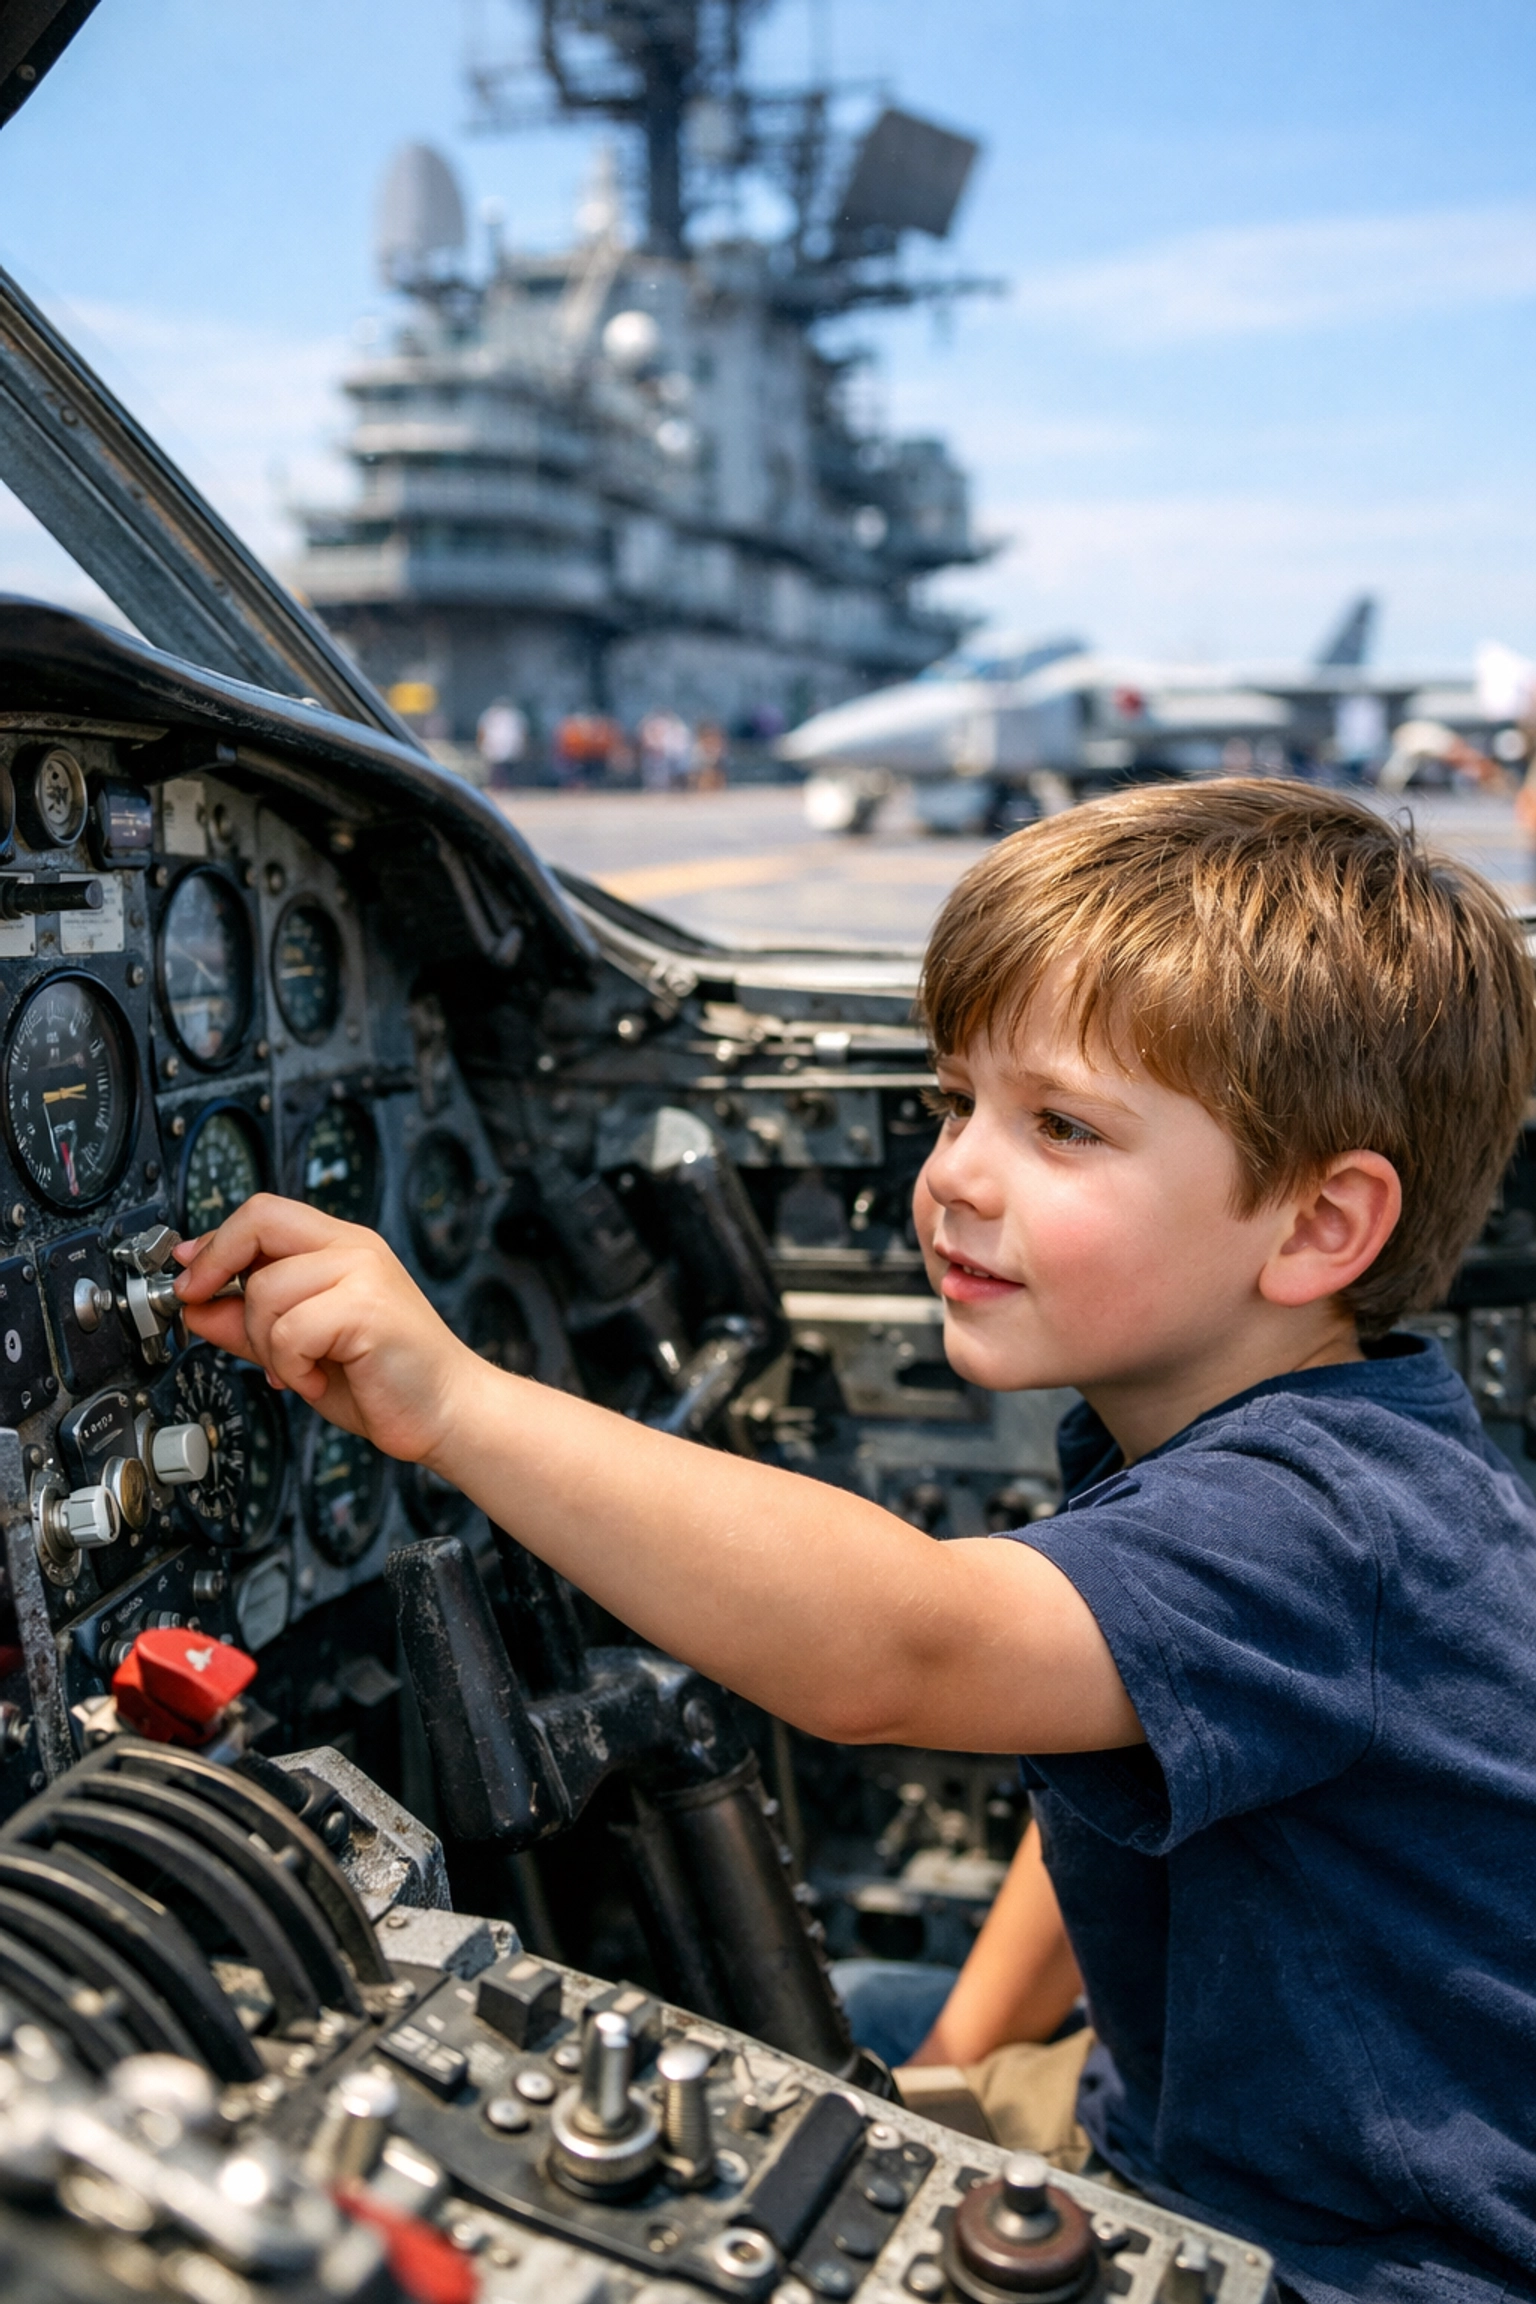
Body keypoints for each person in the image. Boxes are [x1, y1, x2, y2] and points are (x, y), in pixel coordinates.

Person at [173, 782, 1536, 2304]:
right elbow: (1134, 1785)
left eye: (1063, 1127)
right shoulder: (1277, 1441)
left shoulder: (1324, 1520)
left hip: (1358, 2263)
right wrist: (952, 2071)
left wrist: (459, 1406)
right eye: (959, 1101)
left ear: (1316, 1229)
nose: (952, 1171)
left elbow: (901, 1649)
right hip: (1187, 2121)